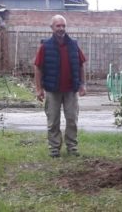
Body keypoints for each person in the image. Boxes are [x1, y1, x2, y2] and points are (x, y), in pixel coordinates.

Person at [34, 14, 87, 158]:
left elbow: (81, 65)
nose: (61, 28)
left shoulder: (73, 44)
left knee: (72, 120)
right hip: (52, 90)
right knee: (53, 121)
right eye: (58, 26)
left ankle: (72, 147)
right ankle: (54, 148)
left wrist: (82, 84)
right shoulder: (45, 46)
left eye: (63, 26)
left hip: (71, 90)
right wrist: (38, 89)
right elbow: (38, 68)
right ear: (52, 28)